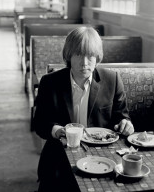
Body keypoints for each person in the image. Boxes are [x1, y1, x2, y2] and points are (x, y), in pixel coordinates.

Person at [33, 26, 134, 191]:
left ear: (97, 57)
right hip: (60, 154)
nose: (85, 63)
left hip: (102, 155)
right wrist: (58, 130)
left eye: (90, 56)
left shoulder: (112, 80)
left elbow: (121, 116)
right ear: (68, 55)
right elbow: (40, 123)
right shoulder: (50, 82)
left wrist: (125, 123)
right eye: (78, 54)